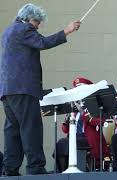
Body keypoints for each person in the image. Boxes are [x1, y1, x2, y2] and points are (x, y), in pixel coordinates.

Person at [0, 3, 81, 175]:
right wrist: (67, 30)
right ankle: (35, 167)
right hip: (24, 89)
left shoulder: (8, 31)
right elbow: (43, 42)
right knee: (31, 127)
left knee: (12, 130)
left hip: (8, 90)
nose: (38, 26)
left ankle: (10, 168)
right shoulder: (25, 29)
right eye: (38, 22)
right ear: (30, 19)